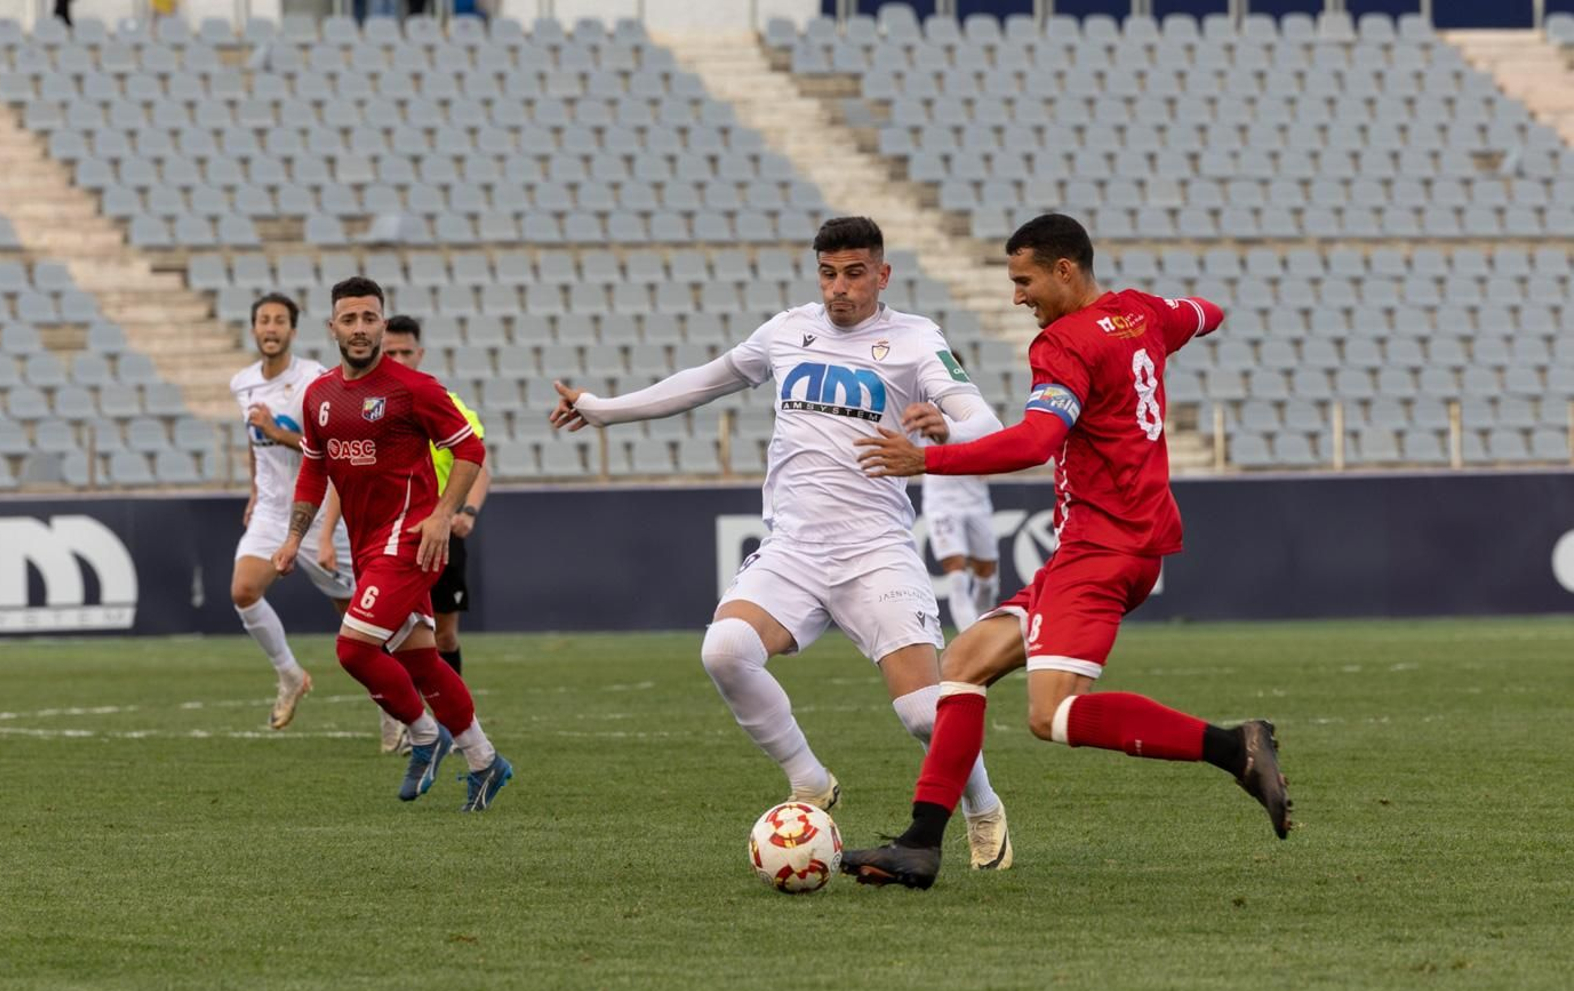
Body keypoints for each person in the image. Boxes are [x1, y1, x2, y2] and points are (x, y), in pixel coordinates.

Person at [841, 213, 1291, 890]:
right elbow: (1208, 311)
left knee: (1051, 714)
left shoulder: (1064, 345)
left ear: (1064, 271)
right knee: (963, 663)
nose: (1018, 297)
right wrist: (1155, 330)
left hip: (1101, 550)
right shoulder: (1142, 313)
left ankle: (1235, 747)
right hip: (1122, 544)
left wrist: (926, 459)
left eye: (1024, 282)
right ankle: (922, 841)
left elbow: (1033, 442)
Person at [551, 216, 1015, 870]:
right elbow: (703, 381)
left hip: (875, 549)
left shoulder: (915, 341)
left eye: (855, 274)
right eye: (828, 274)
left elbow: (986, 422)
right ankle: (809, 781)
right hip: (794, 549)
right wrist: (602, 407)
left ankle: (982, 805)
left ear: (883, 275)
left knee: (920, 713)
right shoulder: (786, 331)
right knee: (725, 650)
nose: (839, 289)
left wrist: (945, 428)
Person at [272, 277, 513, 812]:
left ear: (383, 322)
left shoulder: (414, 388)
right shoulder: (320, 397)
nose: (360, 329)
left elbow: (471, 449)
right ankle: (484, 759)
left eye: (369, 318)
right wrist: (293, 539)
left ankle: (425, 735)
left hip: (409, 542)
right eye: (349, 319)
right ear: (332, 327)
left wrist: (443, 515)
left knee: (353, 648)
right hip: (366, 545)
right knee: (423, 663)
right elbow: (314, 470)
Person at [229, 293, 354, 729]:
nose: (270, 328)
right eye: (263, 320)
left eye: (279, 321)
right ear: (253, 329)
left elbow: (327, 448)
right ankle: (290, 674)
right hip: (270, 511)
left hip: (317, 507)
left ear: (293, 332)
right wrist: (253, 491)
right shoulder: (242, 383)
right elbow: (253, 441)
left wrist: (272, 431)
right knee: (244, 591)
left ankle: (391, 706)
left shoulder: (312, 381)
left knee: (355, 615)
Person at [377, 314, 492, 754]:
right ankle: (401, 722)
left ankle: (456, 724)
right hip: (390, 537)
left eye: (406, 351)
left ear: (420, 354)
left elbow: (477, 460)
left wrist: (465, 511)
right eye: (391, 352)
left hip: (441, 534)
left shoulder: (442, 401)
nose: (399, 358)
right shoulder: (368, 406)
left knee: (443, 635)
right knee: (385, 633)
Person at [920, 350, 1000, 632]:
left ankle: (981, 626)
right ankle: (972, 636)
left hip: (976, 501)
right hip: (942, 503)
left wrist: (986, 459)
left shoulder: (977, 411)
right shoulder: (921, 411)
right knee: (956, 572)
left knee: (987, 576)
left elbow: (998, 447)